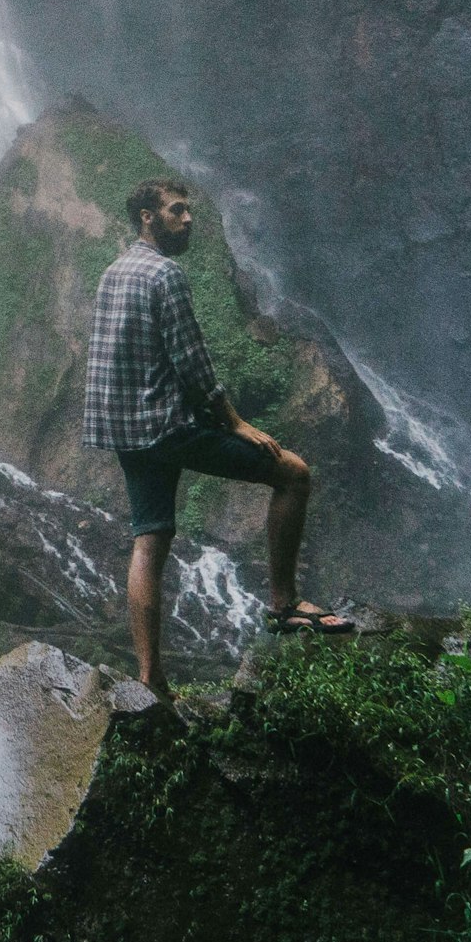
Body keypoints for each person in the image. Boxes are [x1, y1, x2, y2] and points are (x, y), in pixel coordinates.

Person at [84, 176, 349, 687]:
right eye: (177, 210)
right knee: (292, 473)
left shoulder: (112, 273)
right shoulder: (165, 275)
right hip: (164, 425)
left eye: (188, 212)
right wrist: (235, 422)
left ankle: (150, 680)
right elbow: (192, 362)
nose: (188, 220)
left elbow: (107, 361)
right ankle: (284, 604)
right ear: (147, 216)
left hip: (124, 432)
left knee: (149, 539)